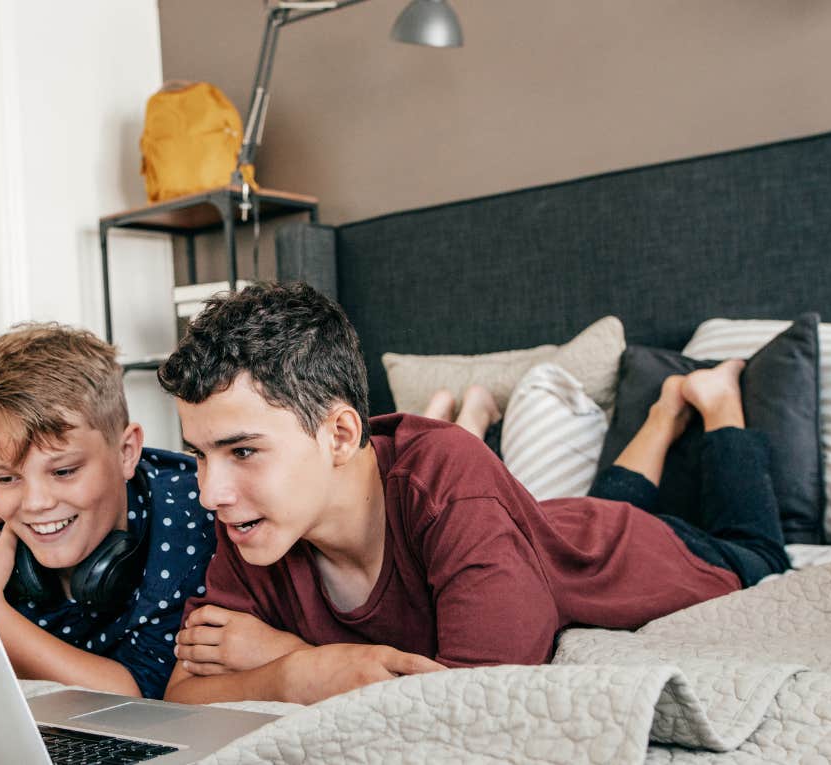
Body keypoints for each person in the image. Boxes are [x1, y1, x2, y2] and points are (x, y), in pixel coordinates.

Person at [156, 282, 789, 705]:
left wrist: (296, 661)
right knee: (569, 514)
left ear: (342, 434)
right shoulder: (254, 516)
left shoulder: (448, 479)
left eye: (242, 451)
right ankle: (658, 420)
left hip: (632, 552)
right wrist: (295, 675)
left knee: (758, 555)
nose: (210, 492)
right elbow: (181, 695)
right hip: (544, 527)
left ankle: (716, 400)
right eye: (198, 455)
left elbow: (475, 705)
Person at [0, 322, 215, 699]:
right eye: (7, 479)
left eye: (63, 471)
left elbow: (142, 701)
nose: (36, 502)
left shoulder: (193, 527)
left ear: (126, 453)